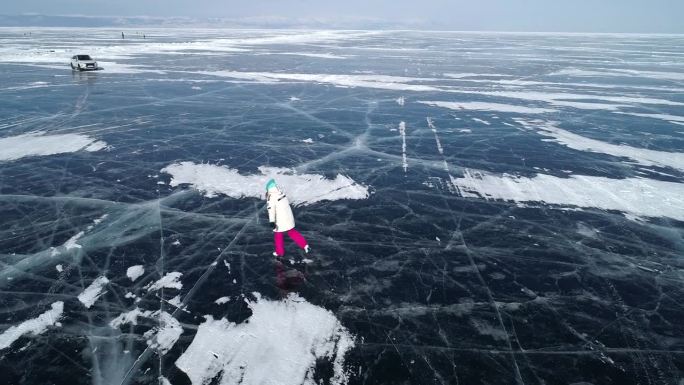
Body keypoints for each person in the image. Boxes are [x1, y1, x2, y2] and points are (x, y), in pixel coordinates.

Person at [266, 179, 310, 258]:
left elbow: (271, 210)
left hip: (280, 221)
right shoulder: (281, 193)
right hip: (288, 218)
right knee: (292, 232)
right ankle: (305, 245)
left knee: (278, 236)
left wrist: (272, 221)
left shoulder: (271, 197)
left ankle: (280, 253)